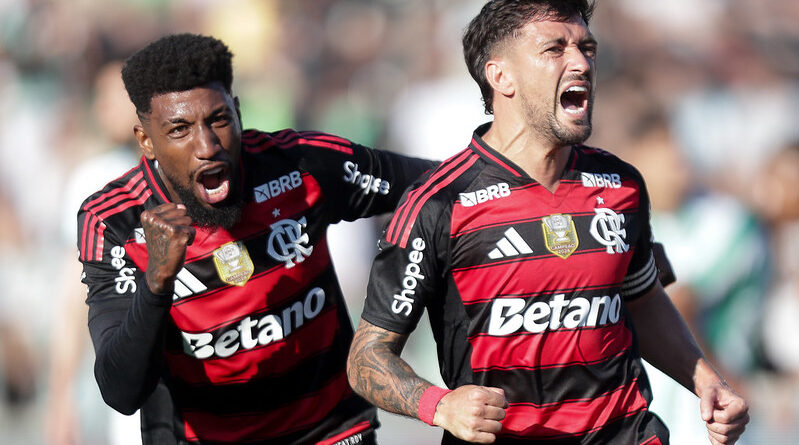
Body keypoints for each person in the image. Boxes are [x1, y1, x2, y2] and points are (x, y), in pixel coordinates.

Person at [346, 1, 748, 444]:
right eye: (555, 49)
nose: (581, 63)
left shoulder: (622, 185)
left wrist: (705, 380)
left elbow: (643, 299)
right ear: (501, 76)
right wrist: (440, 405)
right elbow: (367, 358)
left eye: (587, 48)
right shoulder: (439, 203)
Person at [76, 33, 435, 445]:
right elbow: (121, 392)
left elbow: (443, 186)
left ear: (238, 111)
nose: (207, 146)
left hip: (330, 431)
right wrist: (156, 283)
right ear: (146, 141)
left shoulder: (300, 164)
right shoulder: (113, 221)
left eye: (219, 120)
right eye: (180, 129)